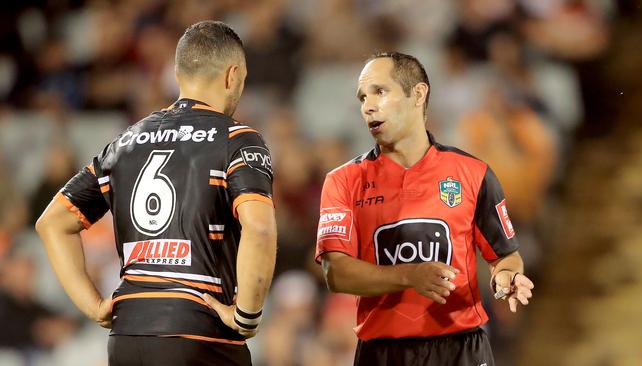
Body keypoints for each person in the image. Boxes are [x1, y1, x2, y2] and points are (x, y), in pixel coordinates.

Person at [35, 21, 277, 366]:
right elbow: (260, 228)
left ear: (177, 74)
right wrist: (246, 316)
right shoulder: (237, 139)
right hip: (198, 334)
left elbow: (53, 222)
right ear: (233, 75)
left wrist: (94, 306)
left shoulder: (126, 141)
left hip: (127, 336)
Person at [315, 52, 534, 366]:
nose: (368, 106)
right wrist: (409, 276)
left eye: (380, 91)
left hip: (461, 349)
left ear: (417, 94)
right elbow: (336, 273)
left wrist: (507, 277)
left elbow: (504, 256)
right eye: (363, 97)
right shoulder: (343, 181)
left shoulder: (472, 173)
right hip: (384, 353)